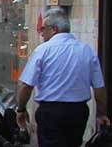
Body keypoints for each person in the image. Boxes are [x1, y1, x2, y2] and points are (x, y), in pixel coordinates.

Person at [16, 8, 110, 147]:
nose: (41, 33)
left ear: (54, 29)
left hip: (50, 112)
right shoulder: (86, 50)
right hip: (78, 112)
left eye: (43, 29)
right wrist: (101, 114)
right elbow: (99, 88)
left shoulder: (43, 50)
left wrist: (21, 109)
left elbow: (26, 86)